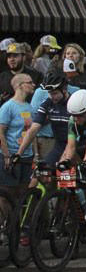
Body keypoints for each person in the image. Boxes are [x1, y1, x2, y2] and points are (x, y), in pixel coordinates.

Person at [0, 73, 36, 215]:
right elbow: (1, 132)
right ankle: (7, 224)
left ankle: (16, 226)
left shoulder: (29, 107)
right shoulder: (8, 107)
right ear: (20, 85)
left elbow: (32, 133)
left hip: (26, 156)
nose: (33, 85)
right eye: (30, 82)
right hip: (11, 156)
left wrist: (36, 154)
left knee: (22, 193)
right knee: (7, 192)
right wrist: (7, 155)